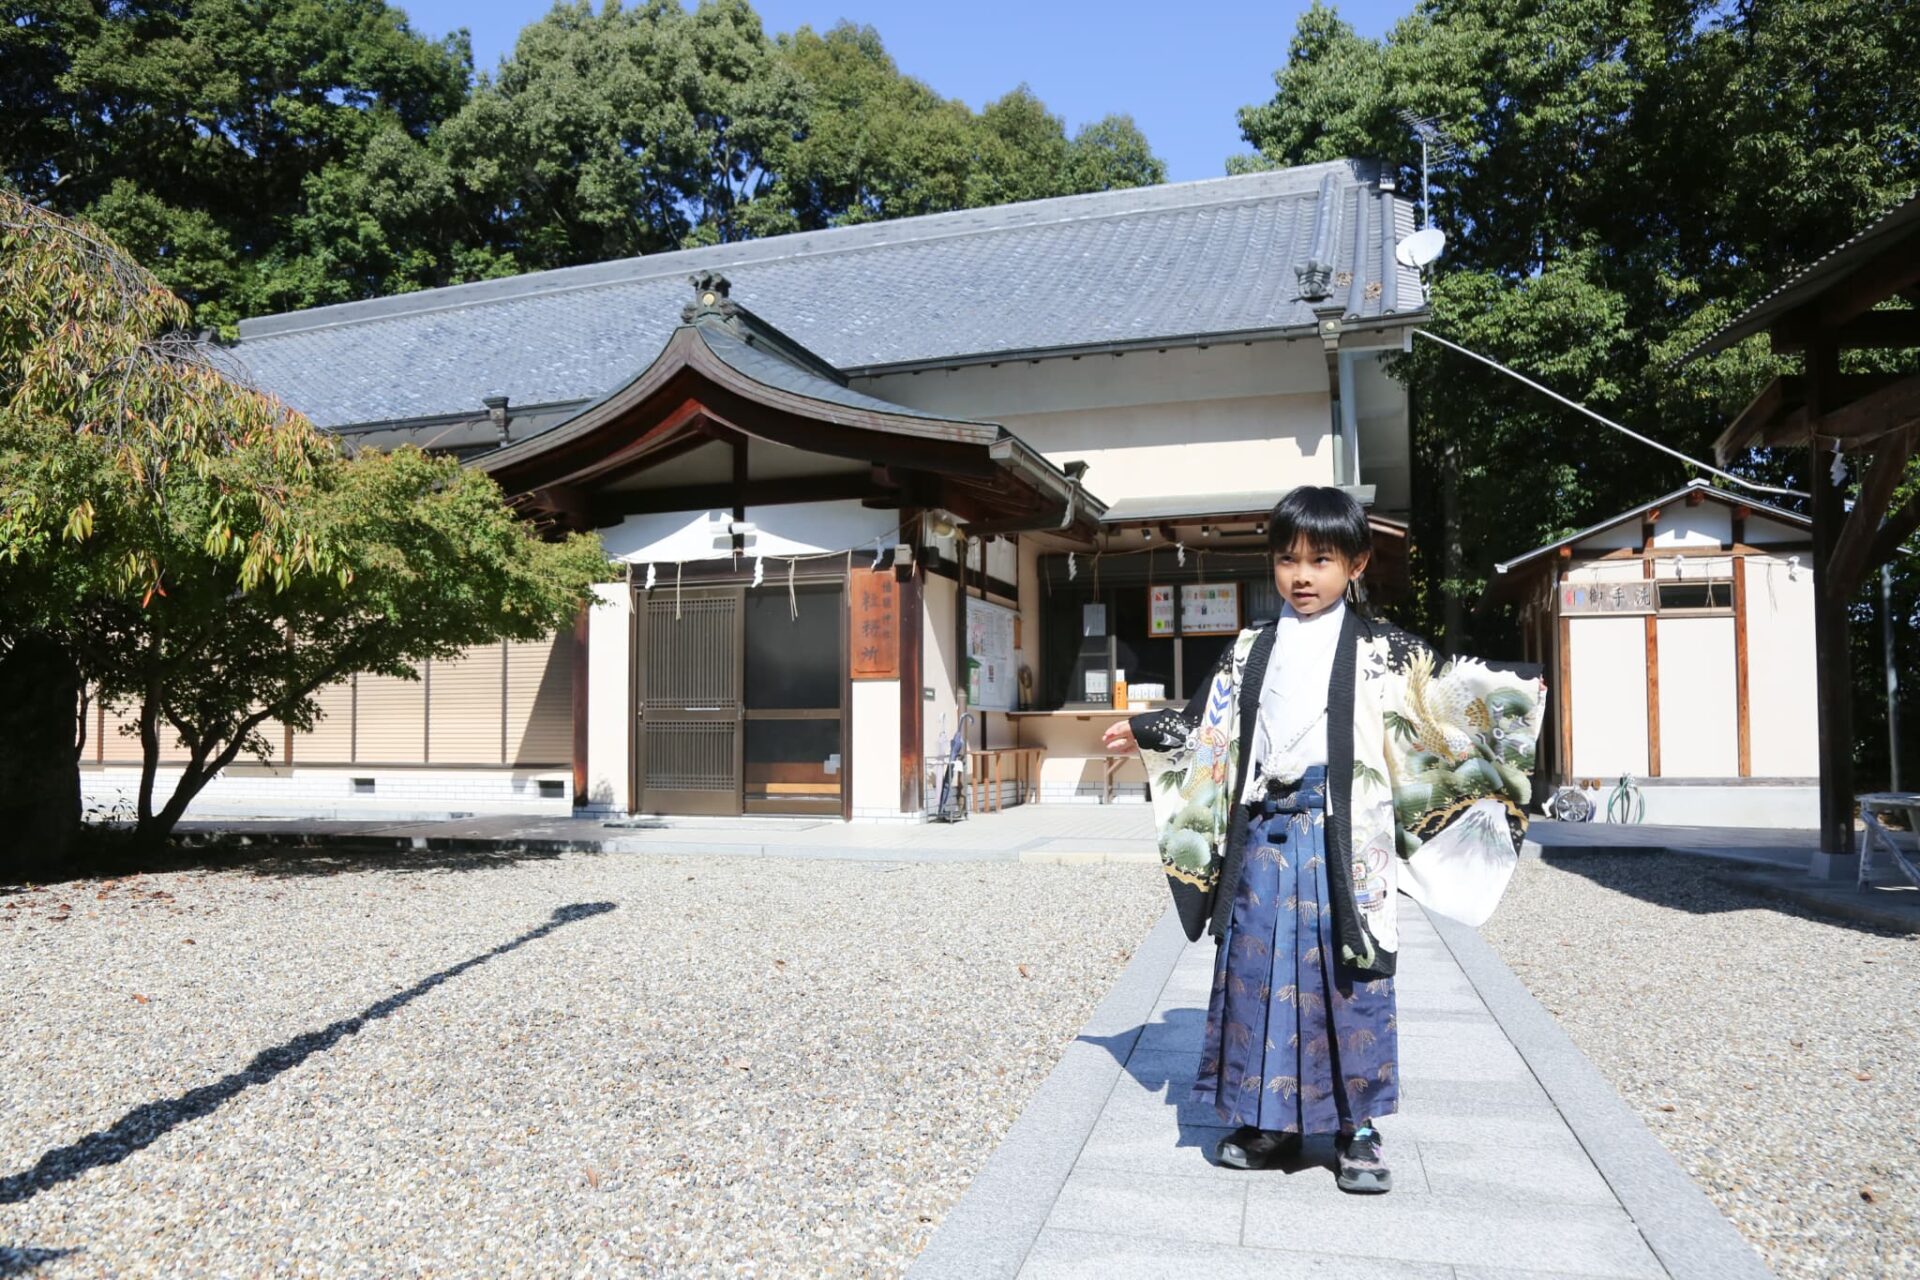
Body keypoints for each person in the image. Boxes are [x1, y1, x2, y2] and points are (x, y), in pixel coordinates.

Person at [1103, 486, 1544, 1194]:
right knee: (1259, 971)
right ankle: (1266, 1119)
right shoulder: (1253, 644)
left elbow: (1445, 718)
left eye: (1321, 559)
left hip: (1345, 841)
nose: (1301, 576)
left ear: (1357, 564)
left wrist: (1518, 703)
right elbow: (1209, 723)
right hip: (1265, 839)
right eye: (1287, 559)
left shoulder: (1383, 651)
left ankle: (1355, 1130)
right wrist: (1149, 730)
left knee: (1349, 975)